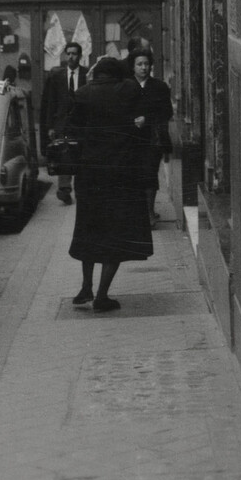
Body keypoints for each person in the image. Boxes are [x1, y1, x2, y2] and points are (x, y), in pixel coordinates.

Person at [65, 55, 152, 311]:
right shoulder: (128, 89)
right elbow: (143, 119)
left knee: (89, 230)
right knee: (116, 233)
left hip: (89, 175)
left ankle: (86, 287)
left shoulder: (83, 93)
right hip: (121, 174)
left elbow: (71, 127)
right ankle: (102, 296)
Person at [129, 47, 174, 225]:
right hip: (131, 139)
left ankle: (149, 213)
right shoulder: (126, 86)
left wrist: (146, 119)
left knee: (150, 174)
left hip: (152, 139)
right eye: (139, 64)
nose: (143, 68)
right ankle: (136, 213)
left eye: (146, 64)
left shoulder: (159, 87)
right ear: (133, 67)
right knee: (134, 175)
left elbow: (167, 112)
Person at [40, 40, 85, 205]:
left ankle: (81, 188)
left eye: (74, 53)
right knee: (63, 153)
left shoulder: (86, 75)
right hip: (62, 123)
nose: (71, 56)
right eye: (69, 53)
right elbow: (51, 102)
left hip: (80, 123)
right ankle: (64, 190)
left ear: (80, 56)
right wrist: (51, 126)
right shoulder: (57, 76)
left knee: (80, 154)